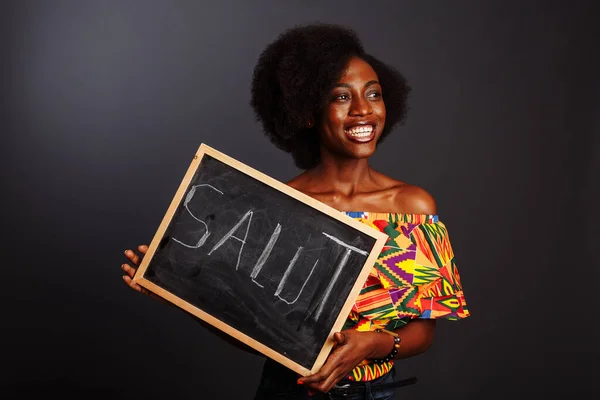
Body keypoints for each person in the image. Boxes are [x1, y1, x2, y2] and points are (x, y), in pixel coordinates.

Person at [121, 23, 469, 400]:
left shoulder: (413, 207)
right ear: (307, 113)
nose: (363, 110)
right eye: (341, 98)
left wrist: (373, 344)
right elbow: (259, 333)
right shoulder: (279, 205)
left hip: (375, 394)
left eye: (374, 94)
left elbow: (424, 331)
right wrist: (180, 292)